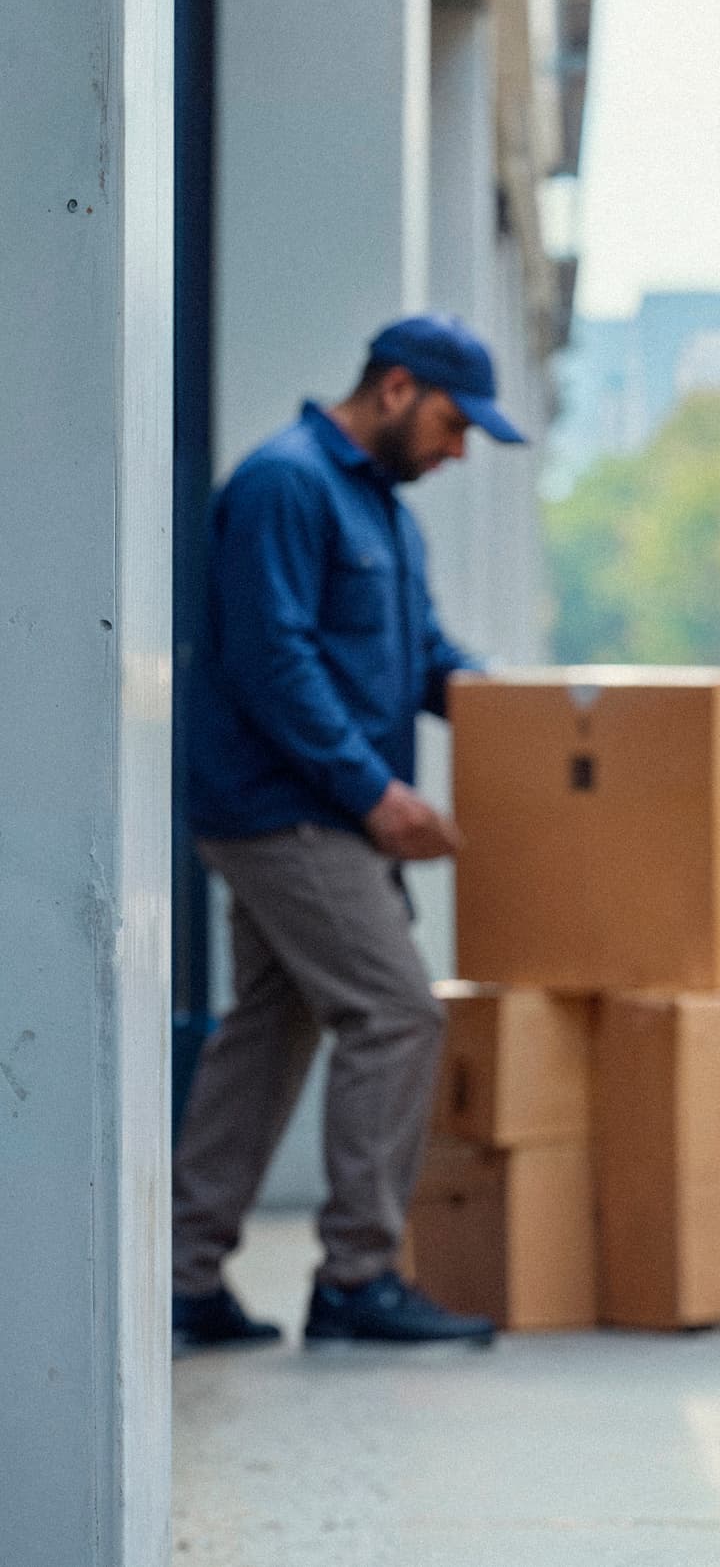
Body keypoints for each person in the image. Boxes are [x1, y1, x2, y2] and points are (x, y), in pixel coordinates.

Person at [172, 315, 531, 1351]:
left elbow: (423, 660)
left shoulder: (383, 511)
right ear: (396, 390)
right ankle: (357, 1278)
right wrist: (375, 793)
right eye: (455, 425)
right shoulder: (284, 484)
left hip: (319, 810)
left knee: (270, 1030)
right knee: (398, 1013)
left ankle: (183, 1275)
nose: (459, 451)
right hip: (289, 811)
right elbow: (272, 661)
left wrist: (526, 711)